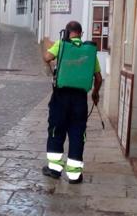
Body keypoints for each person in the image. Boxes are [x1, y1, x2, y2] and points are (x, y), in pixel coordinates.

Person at [42, 21, 102, 184]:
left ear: (67, 33)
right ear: (81, 34)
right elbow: (98, 78)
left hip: (61, 97)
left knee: (56, 129)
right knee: (77, 133)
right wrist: (95, 93)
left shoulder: (61, 45)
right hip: (80, 99)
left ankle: (54, 170)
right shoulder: (89, 51)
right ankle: (74, 175)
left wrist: (54, 66)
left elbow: (46, 57)